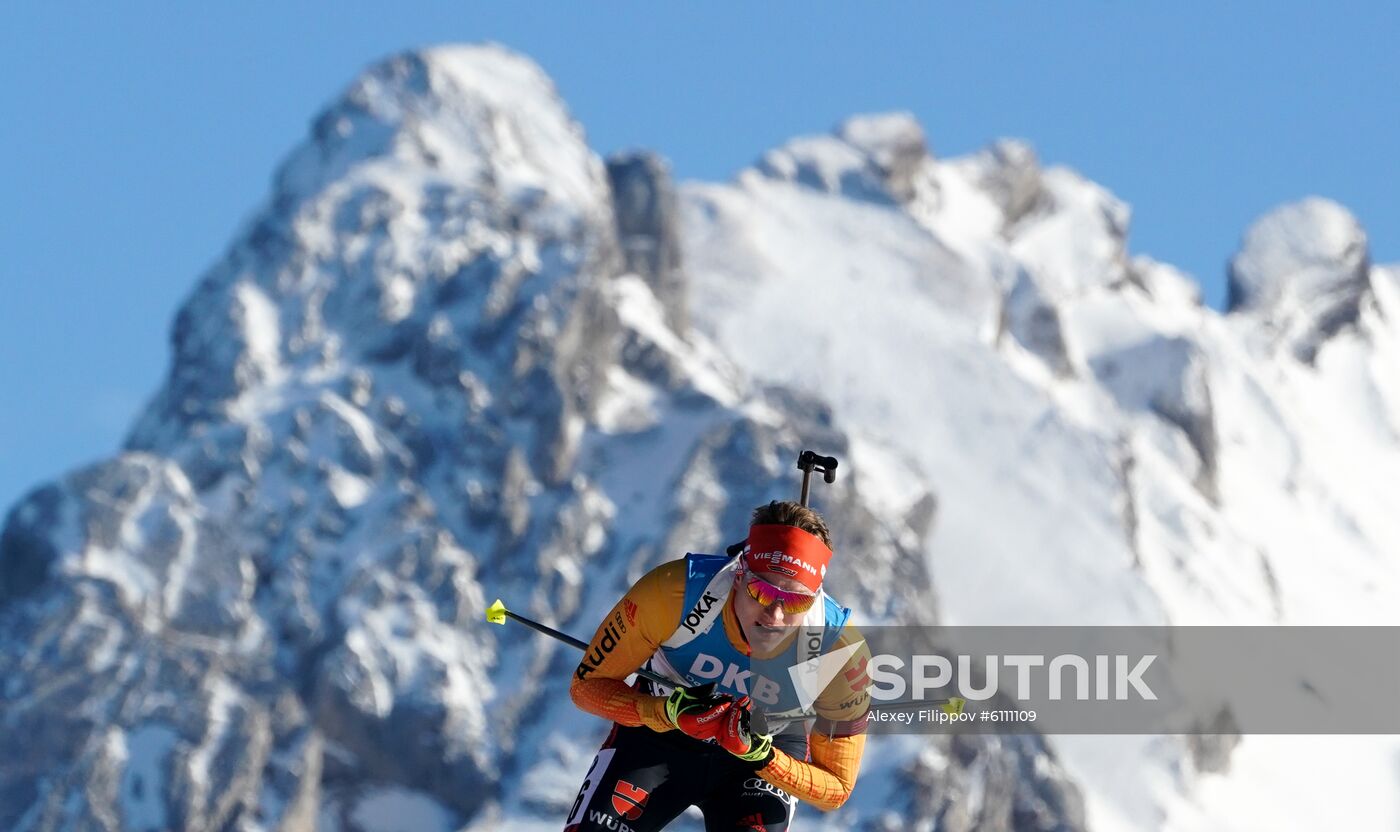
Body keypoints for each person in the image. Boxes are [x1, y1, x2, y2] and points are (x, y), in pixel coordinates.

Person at [564, 500, 872, 831]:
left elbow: (837, 788)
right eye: (762, 592)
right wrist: (665, 712)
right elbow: (585, 686)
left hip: (761, 755)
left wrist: (763, 758)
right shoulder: (676, 592)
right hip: (657, 739)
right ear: (739, 576)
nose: (776, 615)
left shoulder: (839, 650)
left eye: (797, 600)